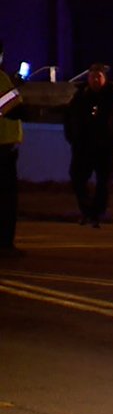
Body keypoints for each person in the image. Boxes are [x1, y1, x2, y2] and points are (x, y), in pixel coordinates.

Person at [64, 63, 113, 227]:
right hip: (83, 148)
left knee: (104, 184)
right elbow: (68, 119)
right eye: (92, 76)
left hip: (105, 149)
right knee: (78, 179)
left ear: (104, 78)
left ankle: (96, 215)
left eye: (98, 76)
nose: (95, 80)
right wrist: (73, 138)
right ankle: (87, 211)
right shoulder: (79, 96)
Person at [0, 40, 28, 256]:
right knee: (7, 199)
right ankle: (5, 244)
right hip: (3, 147)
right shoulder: (1, 78)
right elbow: (9, 107)